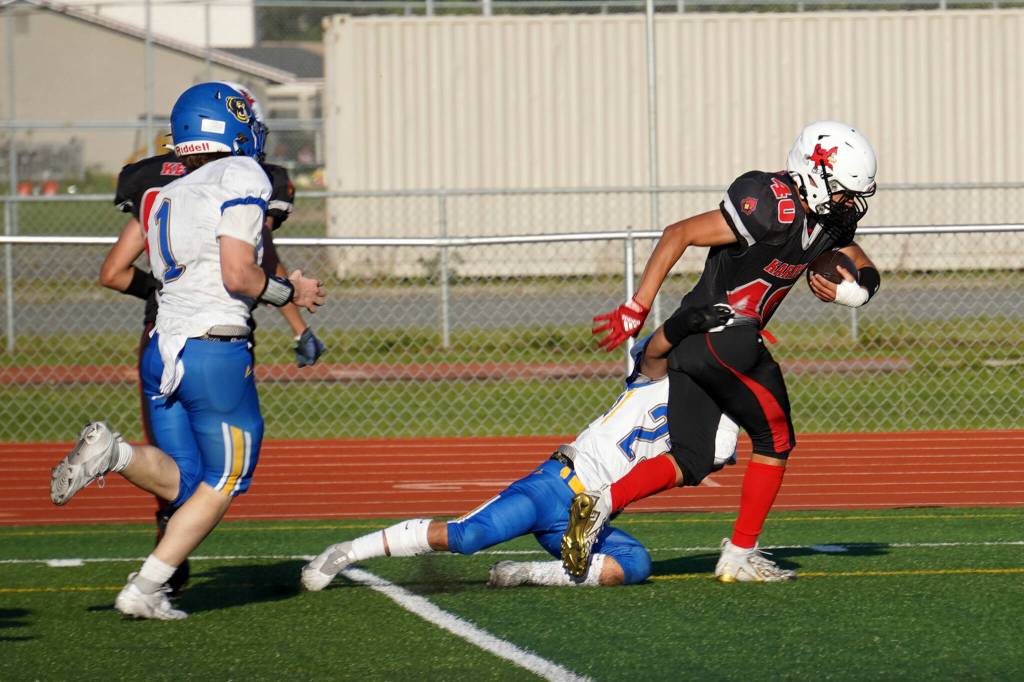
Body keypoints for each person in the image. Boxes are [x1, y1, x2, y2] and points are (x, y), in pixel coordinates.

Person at [50, 82, 326, 620]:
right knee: (227, 478)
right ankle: (146, 587)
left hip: (160, 347)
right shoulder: (242, 174)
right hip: (213, 349)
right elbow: (239, 274)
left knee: (187, 477)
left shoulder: (164, 191)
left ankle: (116, 455)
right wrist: (291, 292)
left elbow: (127, 269)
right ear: (224, 125)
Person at [563, 120, 881, 582]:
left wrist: (856, 292)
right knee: (776, 440)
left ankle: (600, 502)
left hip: (697, 346)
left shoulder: (827, 218)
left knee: (699, 456)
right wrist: (638, 305)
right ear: (814, 175)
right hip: (723, 335)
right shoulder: (771, 203)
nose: (849, 203)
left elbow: (856, 260)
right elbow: (679, 233)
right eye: (843, 192)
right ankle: (739, 555)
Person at [300, 304, 734, 591]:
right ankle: (346, 552)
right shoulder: (653, 377)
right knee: (467, 536)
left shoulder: (713, 414)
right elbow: (658, 346)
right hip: (557, 486)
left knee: (636, 564)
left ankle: (527, 573)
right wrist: (688, 321)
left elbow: (718, 448)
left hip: (589, 514)